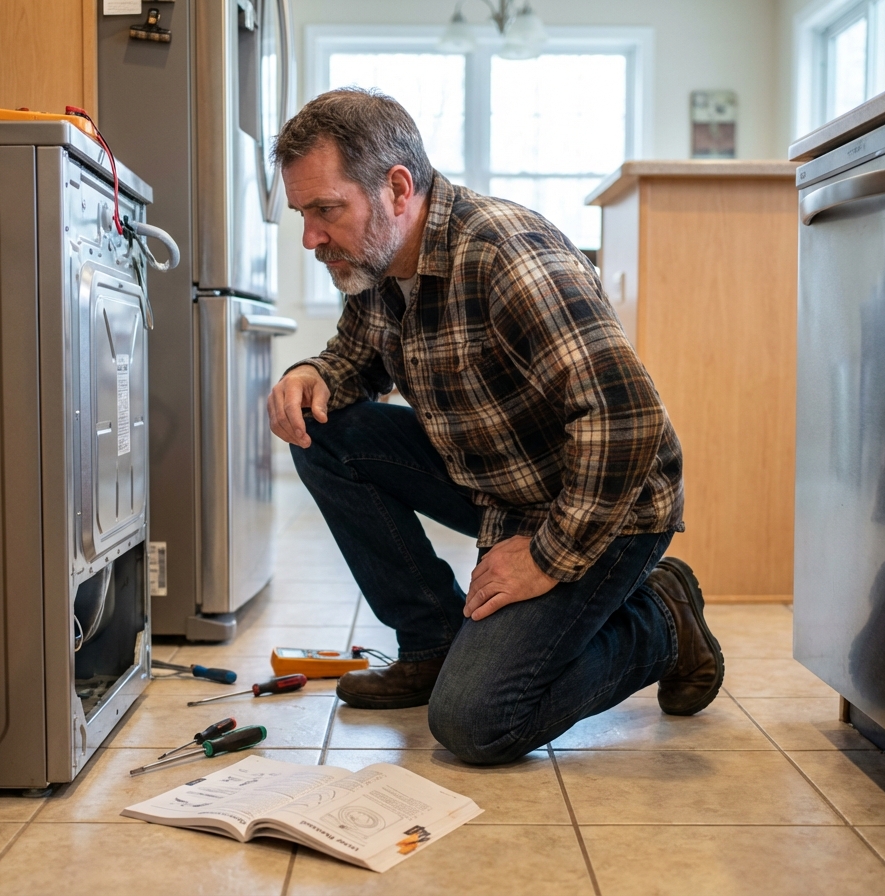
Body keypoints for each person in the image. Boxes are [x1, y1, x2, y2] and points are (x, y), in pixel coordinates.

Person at [268, 89, 723, 765]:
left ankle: (662, 621)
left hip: (606, 506)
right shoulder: (382, 262)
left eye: (325, 210)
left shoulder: (509, 257)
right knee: (324, 428)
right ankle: (431, 644)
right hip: (498, 482)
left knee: (477, 723)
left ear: (397, 188)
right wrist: (317, 375)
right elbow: (357, 357)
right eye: (302, 213)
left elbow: (626, 420)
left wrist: (546, 557)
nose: (310, 237)